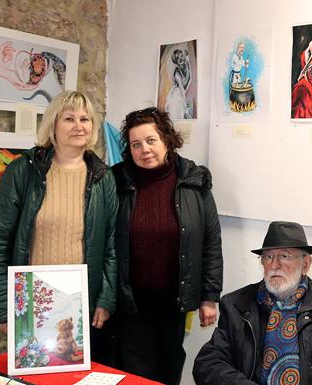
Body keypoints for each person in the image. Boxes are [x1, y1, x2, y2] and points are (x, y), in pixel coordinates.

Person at [0, 90, 118, 362]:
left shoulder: (104, 178)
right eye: (69, 118)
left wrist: (106, 299)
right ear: (53, 124)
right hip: (31, 302)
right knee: (35, 372)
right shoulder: (22, 171)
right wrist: (2, 309)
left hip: (80, 303)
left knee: (72, 373)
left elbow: (113, 245)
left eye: (85, 119)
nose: (79, 125)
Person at [111, 107, 223, 385]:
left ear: (167, 140)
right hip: (130, 301)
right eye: (136, 144)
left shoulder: (194, 182)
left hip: (175, 300)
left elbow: (210, 242)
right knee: (136, 372)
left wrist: (209, 297)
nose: (144, 150)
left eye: (151, 140)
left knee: (170, 365)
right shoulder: (117, 181)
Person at [193, 221, 312, 385]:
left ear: (305, 264)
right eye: (268, 256)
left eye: (285, 256)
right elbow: (208, 363)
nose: (274, 265)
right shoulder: (237, 305)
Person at [165, 48, 194, 119]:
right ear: (176, 62)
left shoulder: (186, 65)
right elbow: (182, 89)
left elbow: (190, 78)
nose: (181, 58)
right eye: (178, 58)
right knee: (179, 114)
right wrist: (184, 103)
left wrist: (187, 61)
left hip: (183, 92)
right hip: (177, 95)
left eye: (181, 56)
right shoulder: (177, 73)